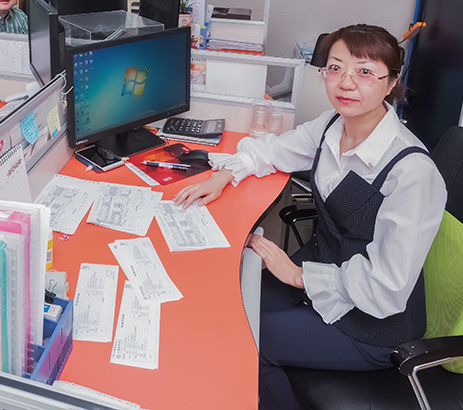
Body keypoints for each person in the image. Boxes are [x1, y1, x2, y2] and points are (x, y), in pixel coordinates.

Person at [172, 24, 446, 410]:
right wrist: (225, 174)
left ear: (391, 82)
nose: (346, 82)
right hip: (321, 273)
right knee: (225, 305)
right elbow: (273, 151)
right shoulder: (333, 125)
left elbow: (388, 287)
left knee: (243, 339)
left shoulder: (411, 172)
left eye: (365, 72)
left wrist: (299, 276)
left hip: (373, 322)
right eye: (335, 68)